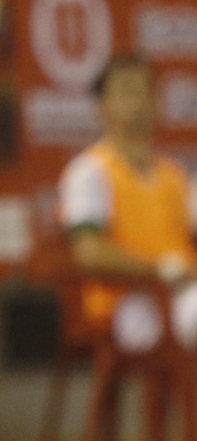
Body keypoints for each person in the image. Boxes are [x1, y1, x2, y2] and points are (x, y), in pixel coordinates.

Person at [60, 55, 197, 359]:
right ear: (102, 106)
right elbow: (89, 254)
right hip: (122, 302)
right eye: (125, 90)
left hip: (179, 295)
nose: (138, 100)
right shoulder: (89, 172)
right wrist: (163, 270)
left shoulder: (176, 177)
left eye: (146, 90)